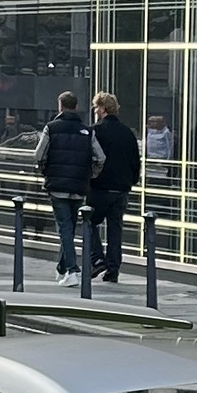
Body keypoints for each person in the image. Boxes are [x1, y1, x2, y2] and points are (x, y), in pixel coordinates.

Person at [35, 92, 96, 280]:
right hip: (79, 186)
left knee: (64, 228)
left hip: (57, 185)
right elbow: (100, 157)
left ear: (60, 106)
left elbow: (38, 154)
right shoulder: (87, 130)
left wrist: (44, 170)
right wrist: (90, 175)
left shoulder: (51, 128)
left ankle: (72, 269)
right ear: (76, 107)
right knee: (68, 227)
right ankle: (62, 268)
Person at [88, 89, 141, 285]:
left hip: (99, 187)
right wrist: (131, 181)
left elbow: (91, 159)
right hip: (121, 189)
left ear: (102, 108)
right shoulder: (128, 133)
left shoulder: (96, 131)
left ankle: (97, 259)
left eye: (96, 107)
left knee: (89, 222)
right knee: (115, 229)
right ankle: (113, 269)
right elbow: (136, 161)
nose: (95, 110)